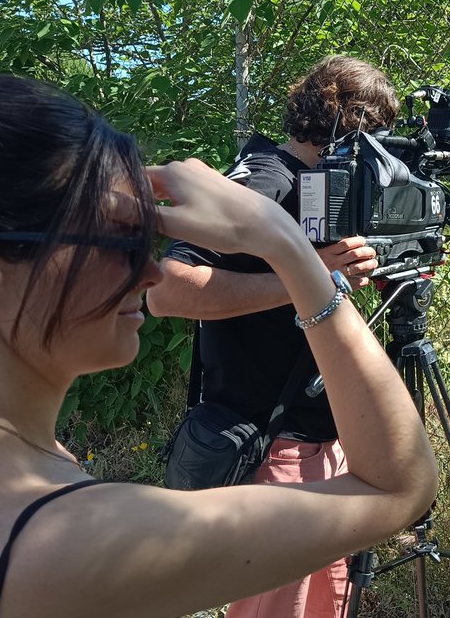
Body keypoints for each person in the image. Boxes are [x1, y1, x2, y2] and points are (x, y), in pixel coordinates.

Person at [0, 75, 438, 617]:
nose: (146, 272)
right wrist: (293, 254)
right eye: (118, 239)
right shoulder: (72, 538)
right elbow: (398, 484)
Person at [145, 55, 395, 617]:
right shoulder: (267, 178)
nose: (382, 153)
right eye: (377, 135)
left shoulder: (318, 188)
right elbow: (169, 291)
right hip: (275, 446)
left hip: (317, 443)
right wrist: (312, 277)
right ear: (346, 124)